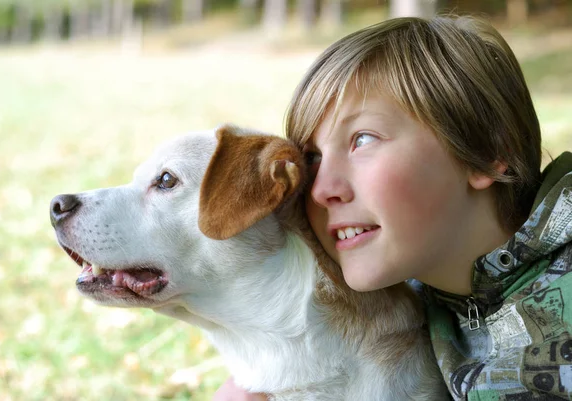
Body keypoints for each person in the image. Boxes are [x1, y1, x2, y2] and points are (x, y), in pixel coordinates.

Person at [213, 15, 572, 401]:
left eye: (362, 139)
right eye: (313, 157)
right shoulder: (411, 297)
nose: (321, 189)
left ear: (485, 152)